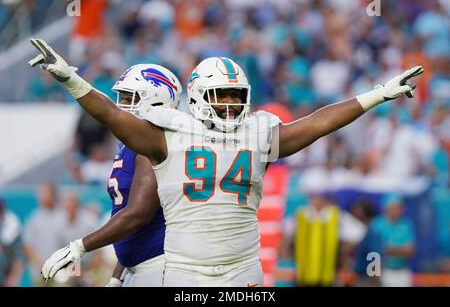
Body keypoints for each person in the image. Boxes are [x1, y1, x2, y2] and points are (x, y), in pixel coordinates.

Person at [29, 38, 424, 286]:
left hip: (242, 269)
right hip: (186, 272)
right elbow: (112, 116)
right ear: (200, 96)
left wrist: (376, 95)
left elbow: (318, 123)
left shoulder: (258, 134)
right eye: (222, 95)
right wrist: (71, 79)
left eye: (236, 95)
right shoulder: (168, 131)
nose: (231, 103)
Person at [43, 63, 182, 287]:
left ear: (156, 100)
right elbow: (133, 226)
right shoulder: (131, 146)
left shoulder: (153, 148)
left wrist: (79, 247)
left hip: (159, 268)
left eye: (129, 99)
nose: (122, 105)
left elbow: (139, 214)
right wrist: (118, 276)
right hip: (139, 269)